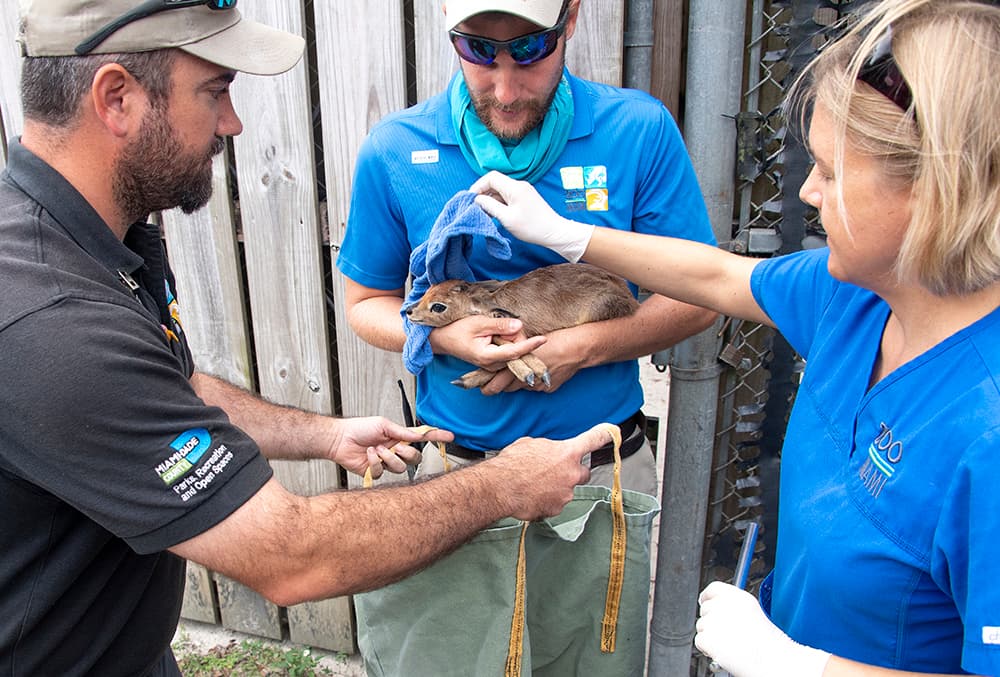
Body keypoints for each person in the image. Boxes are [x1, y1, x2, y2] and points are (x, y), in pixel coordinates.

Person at [0, 2, 616, 675]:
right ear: (116, 98)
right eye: (215, 91)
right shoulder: (50, 318)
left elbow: (165, 389)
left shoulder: (93, 243)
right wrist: (503, 485)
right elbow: (291, 555)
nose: (232, 123)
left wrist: (321, 434)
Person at [472, 0, 1000, 673]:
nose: (808, 190)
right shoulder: (860, 296)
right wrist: (570, 235)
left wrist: (798, 666)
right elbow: (722, 277)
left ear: (939, 190)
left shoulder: (986, 433)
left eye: (833, 173)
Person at [336, 0, 717, 497]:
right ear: (447, 18)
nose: (506, 91)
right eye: (478, 51)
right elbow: (366, 304)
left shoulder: (636, 129)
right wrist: (443, 337)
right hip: (457, 470)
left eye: (531, 49)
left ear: (571, 18)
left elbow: (699, 296)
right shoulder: (395, 148)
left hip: (598, 465)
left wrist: (578, 349)